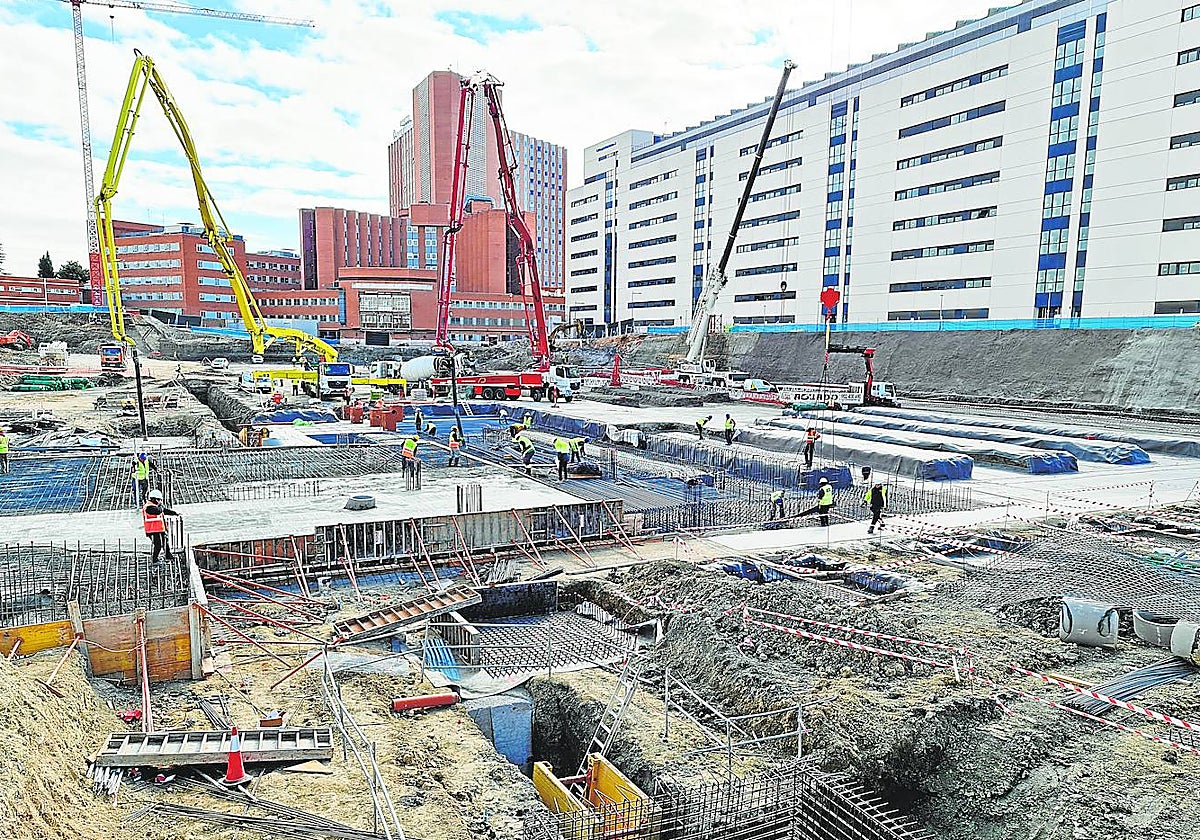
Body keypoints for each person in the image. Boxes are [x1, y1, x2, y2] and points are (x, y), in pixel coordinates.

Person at [143, 489, 180, 564]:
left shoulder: (156, 506)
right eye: (159, 499)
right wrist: (161, 506)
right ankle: (155, 559)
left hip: (159, 529)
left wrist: (175, 513)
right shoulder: (149, 507)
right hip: (152, 530)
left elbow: (164, 510)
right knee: (158, 545)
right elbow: (158, 510)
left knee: (165, 543)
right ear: (155, 499)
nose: (160, 501)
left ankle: (168, 555)